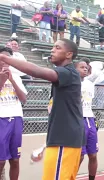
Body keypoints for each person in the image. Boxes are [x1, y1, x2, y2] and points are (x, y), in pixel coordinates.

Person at [0, 39, 84, 180]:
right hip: (62, 140)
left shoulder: (68, 73)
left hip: (64, 142)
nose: (52, 50)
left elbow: (38, 71)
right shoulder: (65, 77)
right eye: (52, 47)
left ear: (69, 54)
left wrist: (4, 58)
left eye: (57, 48)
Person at [0, 46, 27, 180]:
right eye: (2, 58)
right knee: (0, 160)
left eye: (7, 59)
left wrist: (11, 80)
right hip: (1, 119)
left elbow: (23, 99)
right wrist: (3, 79)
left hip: (16, 118)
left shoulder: (16, 77)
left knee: (15, 159)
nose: (5, 62)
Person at [75, 60, 98, 180]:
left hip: (90, 119)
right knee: (80, 156)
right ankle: (70, 177)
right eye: (81, 67)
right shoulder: (72, 84)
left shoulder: (90, 84)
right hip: (78, 120)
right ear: (75, 69)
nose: (85, 69)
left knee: (93, 154)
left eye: (86, 67)